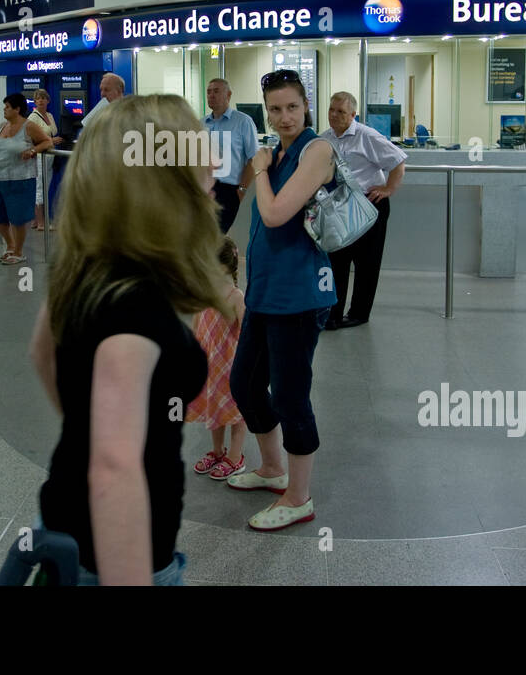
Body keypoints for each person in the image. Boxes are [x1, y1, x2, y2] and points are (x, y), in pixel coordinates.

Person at [31, 93, 230, 584]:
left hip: (66, 528)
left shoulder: (91, 268)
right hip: (113, 560)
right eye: (204, 175)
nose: (215, 184)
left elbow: (42, 356)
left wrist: (89, 426)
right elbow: (115, 470)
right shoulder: (138, 313)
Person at [226, 68, 336, 531]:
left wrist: (260, 170)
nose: (284, 116)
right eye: (274, 109)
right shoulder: (281, 150)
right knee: (245, 385)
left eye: (292, 106)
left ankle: (299, 495)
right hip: (265, 292)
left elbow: (273, 214)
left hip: (299, 295)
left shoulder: (317, 150)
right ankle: (272, 468)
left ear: (306, 105)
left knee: (291, 396)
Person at [319, 91, 407, 329]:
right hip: (339, 207)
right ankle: (333, 314)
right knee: (336, 260)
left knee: (366, 263)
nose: (334, 115)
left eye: (341, 112)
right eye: (331, 110)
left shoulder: (366, 136)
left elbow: (398, 161)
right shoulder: (325, 138)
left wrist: (389, 188)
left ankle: (359, 313)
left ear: (353, 115)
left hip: (369, 203)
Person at [187, 235, 248, 481]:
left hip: (231, 365)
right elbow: (195, 325)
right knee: (216, 409)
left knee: (235, 411)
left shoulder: (236, 297)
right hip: (210, 366)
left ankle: (235, 456)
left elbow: (246, 333)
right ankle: (217, 451)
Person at [0, 93, 51, 264]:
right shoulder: (1, 127)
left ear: (17, 109)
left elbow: (47, 142)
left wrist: (33, 151)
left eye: (7, 107)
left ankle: (18, 251)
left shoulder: (29, 126)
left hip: (21, 179)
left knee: (18, 218)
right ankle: (10, 245)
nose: (4, 110)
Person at [203, 78, 258, 233]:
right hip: (206, 190)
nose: (211, 95)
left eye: (216, 91)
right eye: (209, 92)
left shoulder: (242, 122)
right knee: (205, 235)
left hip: (230, 190)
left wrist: (242, 189)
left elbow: (253, 158)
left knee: (223, 237)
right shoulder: (202, 123)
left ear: (228, 95)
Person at [26, 89, 63, 231]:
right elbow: (31, 139)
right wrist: (51, 140)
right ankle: (41, 223)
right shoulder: (32, 118)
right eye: (37, 98)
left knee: (44, 186)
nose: (40, 101)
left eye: (43, 98)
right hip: (39, 157)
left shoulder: (50, 115)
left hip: (50, 157)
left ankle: (36, 221)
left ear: (48, 100)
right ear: (34, 102)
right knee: (40, 189)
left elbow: (53, 132)